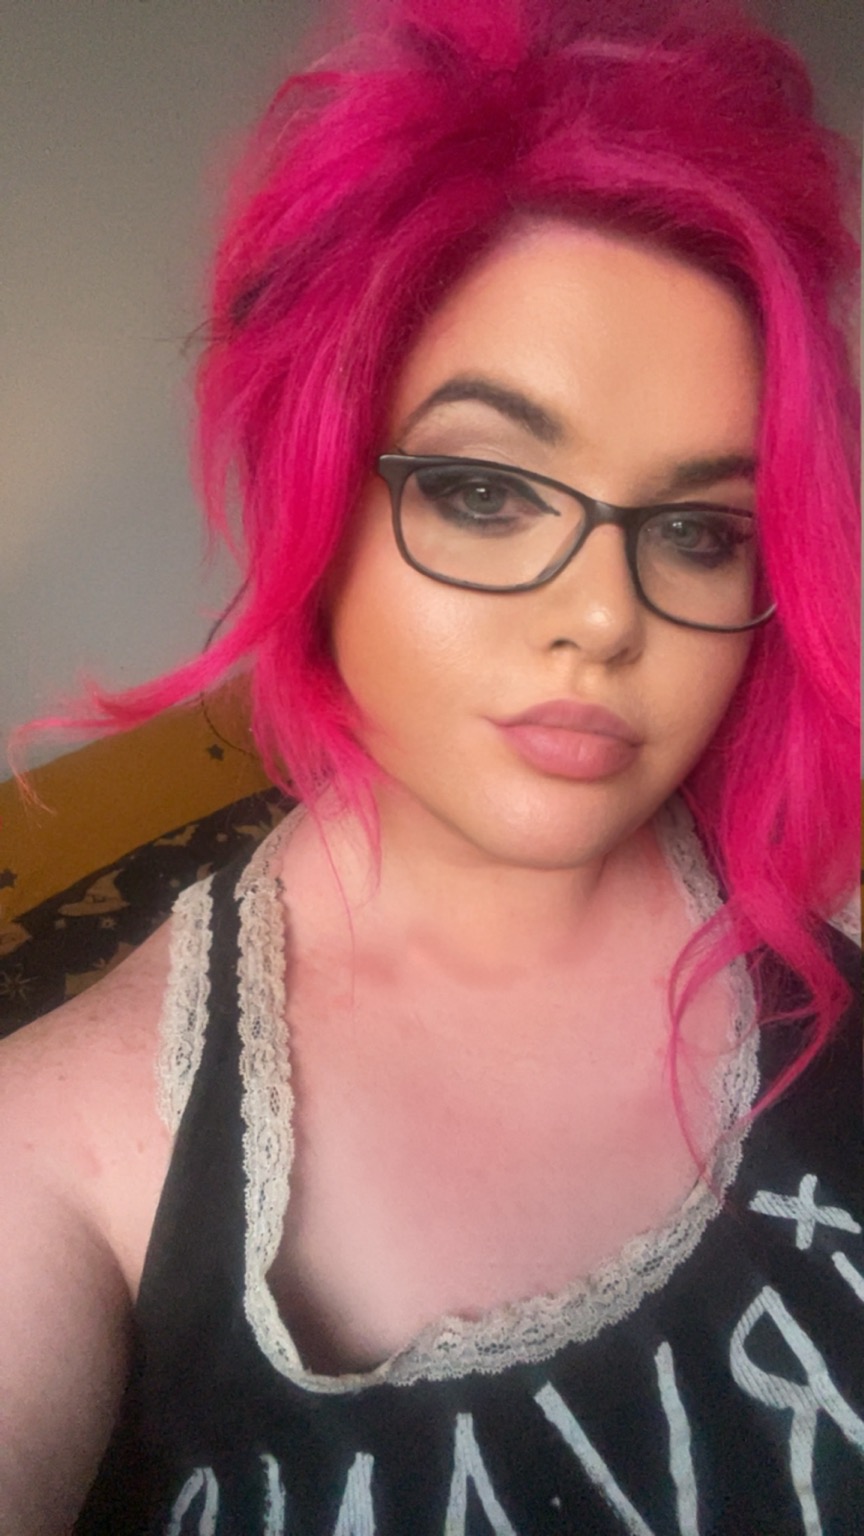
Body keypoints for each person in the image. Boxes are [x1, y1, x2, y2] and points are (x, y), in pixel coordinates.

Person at [1, 0, 861, 1531]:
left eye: (699, 528)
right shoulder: (67, 1153)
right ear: (318, 499)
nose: (604, 617)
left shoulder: (822, 877)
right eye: (482, 490)